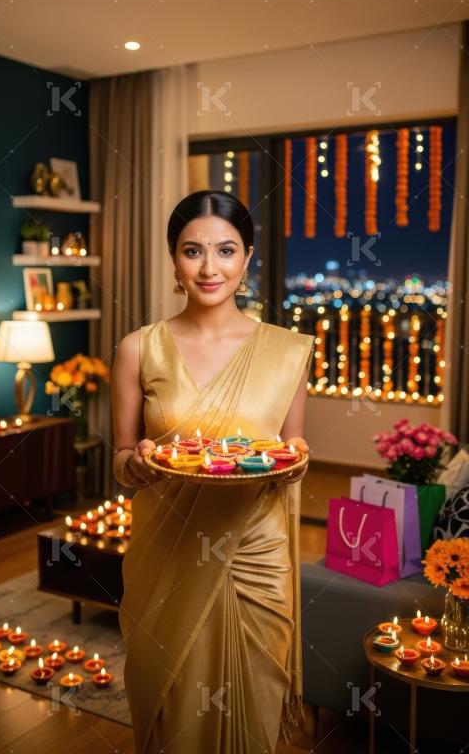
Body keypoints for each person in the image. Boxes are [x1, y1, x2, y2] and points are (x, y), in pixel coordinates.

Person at [111, 189, 315, 754]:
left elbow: (290, 452)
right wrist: (142, 463)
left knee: (254, 692)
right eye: (192, 250)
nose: (209, 267)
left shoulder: (289, 350)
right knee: (172, 694)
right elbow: (123, 462)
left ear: (247, 257)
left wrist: (296, 455)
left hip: (256, 554)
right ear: (173, 259)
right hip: (169, 549)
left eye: (225, 250)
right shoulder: (138, 349)